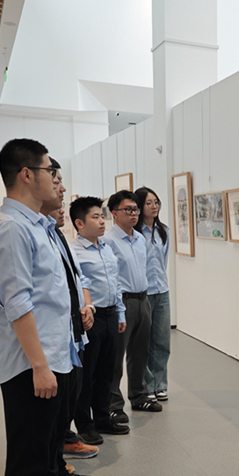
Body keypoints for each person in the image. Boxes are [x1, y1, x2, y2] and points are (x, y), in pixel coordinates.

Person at [0, 138, 81, 476]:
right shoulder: (11, 228)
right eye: (49, 170)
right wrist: (40, 365)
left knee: (43, 450)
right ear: (27, 174)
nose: (54, 178)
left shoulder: (35, 224)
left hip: (50, 355)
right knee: (27, 456)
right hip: (29, 363)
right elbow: (17, 302)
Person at [39, 160, 98, 476]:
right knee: (45, 427)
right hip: (48, 346)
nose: (62, 191)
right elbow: (18, 303)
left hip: (72, 337)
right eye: (55, 180)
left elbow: (75, 280)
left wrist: (85, 306)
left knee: (65, 408)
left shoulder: (56, 235)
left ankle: (58, 472)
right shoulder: (21, 231)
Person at [69, 196, 130, 444]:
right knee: (87, 375)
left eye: (102, 216)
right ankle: (85, 424)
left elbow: (116, 283)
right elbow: (77, 286)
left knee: (107, 371)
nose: (102, 221)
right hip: (91, 318)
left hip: (111, 315)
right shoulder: (74, 251)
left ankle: (103, 419)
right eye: (95, 217)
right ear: (79, 223)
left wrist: (120, 312)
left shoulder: (106, 247)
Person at [104, 190, 161, 419]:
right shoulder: (108, 241)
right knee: (116, 356)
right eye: (128, 209)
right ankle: (113, 405)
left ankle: (139, 396)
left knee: (140, 353)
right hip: (123, 302)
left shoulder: (139, 239)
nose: (134, 213)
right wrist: (119, 308)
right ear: (114, 213)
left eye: (135, 209)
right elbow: (111, 278)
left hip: (143, 300)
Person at [134, 186, 171, 402]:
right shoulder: (135, 234)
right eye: (148, 203)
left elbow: (163, 262)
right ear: (140, 206)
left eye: (156, 202)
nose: (154, 206)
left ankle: (160, 384)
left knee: (162, 341)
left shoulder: (163, 231)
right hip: (144, 293)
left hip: (162, 291)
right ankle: (147, 385)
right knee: (144, 342)